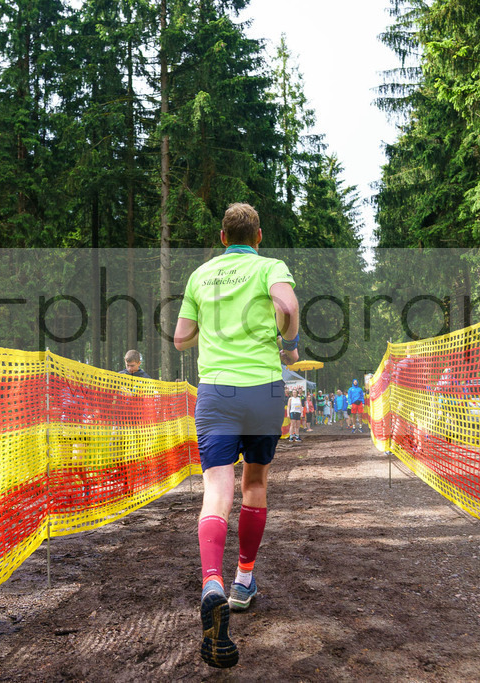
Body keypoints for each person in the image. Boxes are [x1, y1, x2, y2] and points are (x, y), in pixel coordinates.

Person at [173, 202, 299, 669]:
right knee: (255, 483)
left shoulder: (200, 275)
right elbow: (288, 306)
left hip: (216, 392)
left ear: (223, 237)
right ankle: (244, 580)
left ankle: (212, 580)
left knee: (216, 488)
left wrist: (206, 328)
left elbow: (180, 337)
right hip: (262, 389)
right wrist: (288, 340)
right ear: (258, 236)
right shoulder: (270, 267)